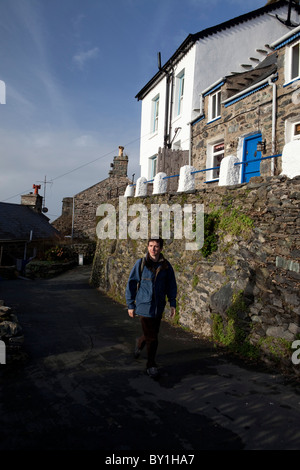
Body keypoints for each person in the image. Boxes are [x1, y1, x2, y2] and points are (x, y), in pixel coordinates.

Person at [125, 237, 177, 378]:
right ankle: (151, 365)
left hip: (158, 306)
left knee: (151, 334)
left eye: (156, 246)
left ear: (161, 248)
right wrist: (130, 304)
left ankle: (140, 342)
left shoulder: (166, 266)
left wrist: (172, 303)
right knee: (153, 337)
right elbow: (131, 283)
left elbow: (171, 285)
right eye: (151, 246)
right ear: (147, 247)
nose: (153, 249)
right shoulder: (141, 263)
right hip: (144, 306)